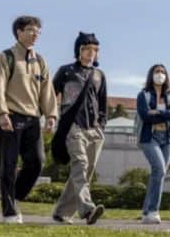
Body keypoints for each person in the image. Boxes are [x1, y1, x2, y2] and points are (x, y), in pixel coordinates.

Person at [0, 16, 58, 224]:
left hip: (32, 119)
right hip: (10, 117)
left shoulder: (40, 61)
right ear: (18, 32)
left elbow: (47, 90)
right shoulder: (5, 57)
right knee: (8, 165)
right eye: (30, 29)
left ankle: (13, 197)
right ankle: (9, 211)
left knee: (37, 163)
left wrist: (51, 115)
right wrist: (2, 113)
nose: (35, 34)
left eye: (38, 31)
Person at [51, 32, 107, 225]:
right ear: (79, 50)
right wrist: (50, 118)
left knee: (85, 171)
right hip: (72, 127)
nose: (91, 53)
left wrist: (101, 125)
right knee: (80, 165)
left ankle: (61, 212)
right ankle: (87, 210)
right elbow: (50, 96)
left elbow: (103, 104)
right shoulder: (66, 71)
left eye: (95, 50)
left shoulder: (99, 75)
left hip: (94, 130)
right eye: (87, 49)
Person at [136, 64, 170, 224]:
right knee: (159, 170)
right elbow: (145, 116)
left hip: (168, 139)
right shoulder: (143, 95)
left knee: (158, 174)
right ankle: (153, 211)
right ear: (151, 75)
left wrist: (159, 112)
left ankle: (146, 212)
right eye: (157, 71)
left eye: (163, 72)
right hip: (149, 138)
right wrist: (167, 114)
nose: (160, 74)